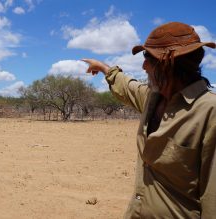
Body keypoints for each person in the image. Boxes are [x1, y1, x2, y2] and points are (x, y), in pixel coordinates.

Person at [82, 21, 216, 218]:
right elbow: (127, 86)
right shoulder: (152, 97)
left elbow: (212, 198)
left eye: (150, 59)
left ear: (169, 64)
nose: (144, 66)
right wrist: (103, 68)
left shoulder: (208, 111)